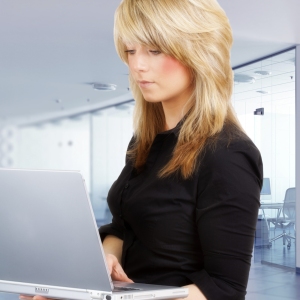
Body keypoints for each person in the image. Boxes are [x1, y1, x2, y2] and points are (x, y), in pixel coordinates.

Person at [20, 0, 263, 300]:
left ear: (198, 53)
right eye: (131, 50)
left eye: (155, 50)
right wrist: (103, 266)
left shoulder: (228, 154)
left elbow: (224, 289)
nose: (137, 65)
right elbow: (124, 228)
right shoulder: (145, 141)